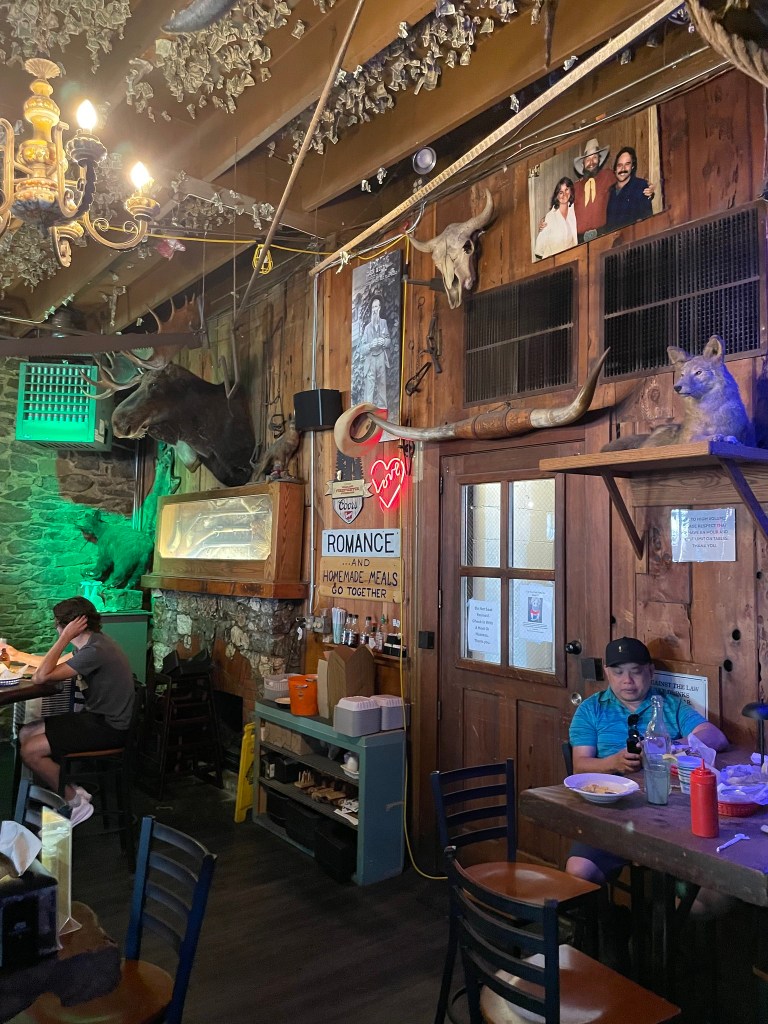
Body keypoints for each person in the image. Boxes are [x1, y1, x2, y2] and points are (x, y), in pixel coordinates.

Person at [566, 636, 727, 884]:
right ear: (607, 673)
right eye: (618, 672)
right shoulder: (591, 709)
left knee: (713, 879)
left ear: (650, 671)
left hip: (671, 812)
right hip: (611, 812)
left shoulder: (669, 705)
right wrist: (614, 762)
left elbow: (715, 736)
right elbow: (581, 765)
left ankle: (680, 908)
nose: (627, 681)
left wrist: (668, 746)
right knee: (578, 871)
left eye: (636, 672)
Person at [8, 597, 135, 826]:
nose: (55, 628)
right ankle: (69, 791)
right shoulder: (94, 643)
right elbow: (47, 665)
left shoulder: (94, 650)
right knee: (26, 732)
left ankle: (75, 803)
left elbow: (40, 677)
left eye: (57, 624)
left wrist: (64, 638)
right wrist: (16, 654)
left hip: (109, 727)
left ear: (70, 625)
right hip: (97, 718)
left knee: (30, 751)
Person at [571, 137, 615, 242]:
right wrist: (547, 220)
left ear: (599, 160)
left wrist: (646, 187)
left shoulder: (608, 176)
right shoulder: (575, 187)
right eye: (588, 159)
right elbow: (561, 206)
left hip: (602, 237)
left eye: (594, 157)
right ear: (583, 164)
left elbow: (624, 182)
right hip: (579, 241)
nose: (591, 162)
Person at [605, 146, 654, 232]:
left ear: (632, 166)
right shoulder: (609, 191)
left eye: (627, 164)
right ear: (615, 169)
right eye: (619, 165)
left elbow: (646, 220)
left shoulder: (640, 186)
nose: (623, 169)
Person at [534, 176, 578, 259]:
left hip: (572, 259)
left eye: (566, 190)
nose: (564, 194)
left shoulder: (574, 210)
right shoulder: (550, 217)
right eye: (561, 192)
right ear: (557, 195)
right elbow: (539, 249)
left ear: (571, 191)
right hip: (555, 262)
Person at [359, 295, 390, 411]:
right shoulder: (367, 328)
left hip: (381, 357)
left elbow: (389, 341)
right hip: (371, 359)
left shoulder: (384, 323)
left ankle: (383, 412)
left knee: (382, 385)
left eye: (376, 307)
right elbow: (361, 349)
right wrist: (370, 345)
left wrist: (384, 342)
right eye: (373, 307)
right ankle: (368, 413)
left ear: (380, 308)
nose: (374, 310)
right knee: (369, 389)